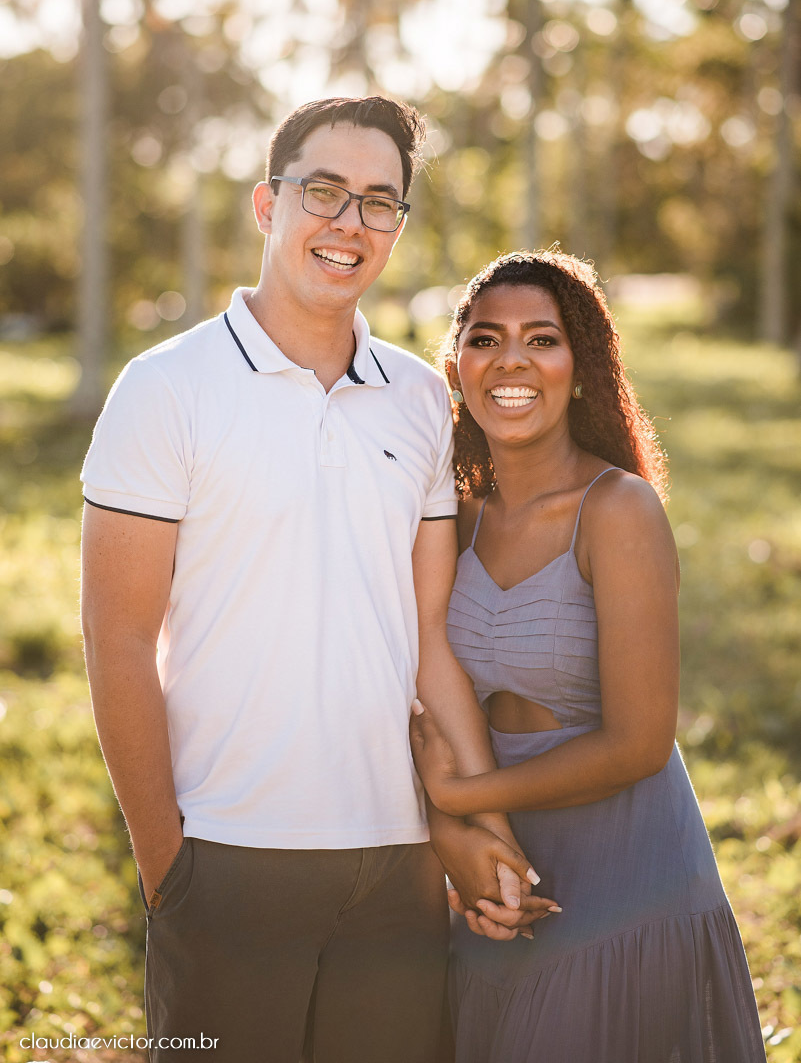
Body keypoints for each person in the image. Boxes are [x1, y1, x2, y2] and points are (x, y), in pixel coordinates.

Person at [80, 97, 555, 1063]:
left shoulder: (423, 399)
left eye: (378, 201)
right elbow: (118, 639)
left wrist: (483, 833)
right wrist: (167, 867)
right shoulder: (165, 388)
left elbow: (429, 640)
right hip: (226, 854)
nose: (349, 223)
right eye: (323, 192)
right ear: (267, 205)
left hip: (398, 863)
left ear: (398, 228)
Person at [410, 249, 766, 1062]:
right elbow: (417, 685)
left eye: (542, 340)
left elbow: (639, 743)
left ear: (580, 370)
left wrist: (462, 792)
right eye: (485, 337)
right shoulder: (452, 516)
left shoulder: (618, 510)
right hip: (498, 872)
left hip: (624, 883)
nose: (510, 361)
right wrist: (454, 830)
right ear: (456, 363)